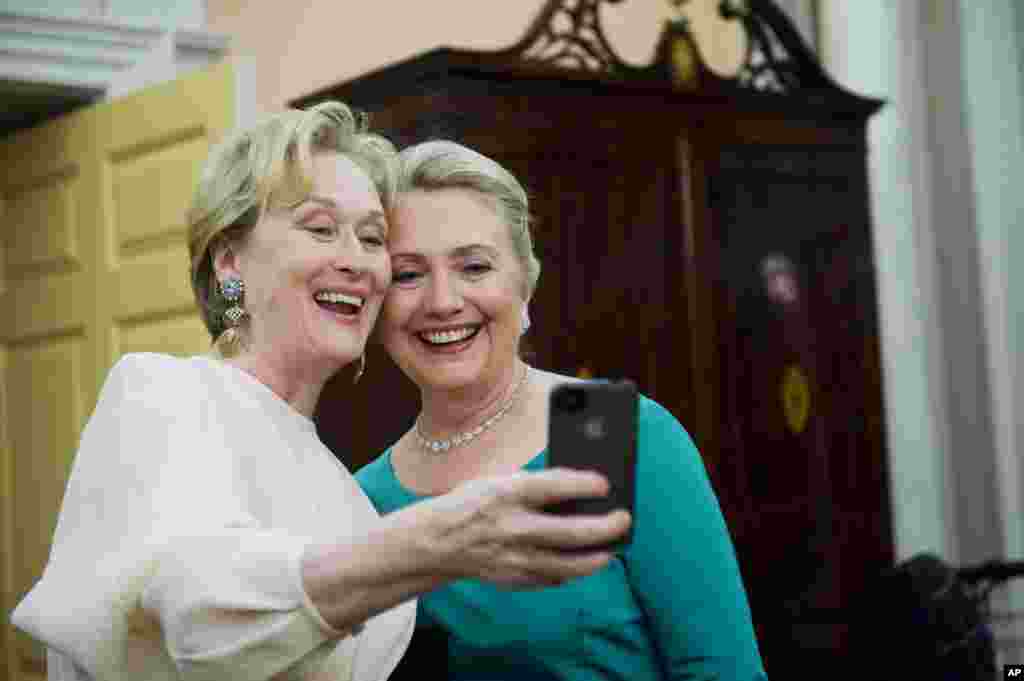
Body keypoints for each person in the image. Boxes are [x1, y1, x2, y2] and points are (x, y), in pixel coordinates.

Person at [9, 103, 631, 681]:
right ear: (229, 261)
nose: (357, 261)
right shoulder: (163, 392)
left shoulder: (346, 489)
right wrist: (443, 542)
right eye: (321, 228)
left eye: (370, 237)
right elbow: (196, 612)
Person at [356, 140, 769, 680]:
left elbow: (722, 672)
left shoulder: (607, 432)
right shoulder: (364, 499)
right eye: (408, 274)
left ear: (524, 284)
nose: (442, 301)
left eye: (474, 267)